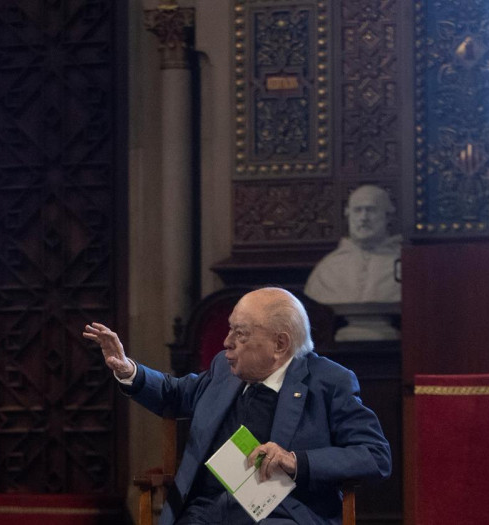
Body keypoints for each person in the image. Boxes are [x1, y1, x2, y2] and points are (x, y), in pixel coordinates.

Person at [83, 288, 390, 525]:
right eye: (230, 330)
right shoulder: (223, 369)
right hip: (204, 511)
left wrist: (298, 461)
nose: (226, 342)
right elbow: (173, 394)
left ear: (280, 345)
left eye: (240, 334)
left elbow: (375, 455)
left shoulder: (328, 381)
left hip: (281, 513)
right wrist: (127, 371)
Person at [304, 185, 401, 304]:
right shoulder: (327, 268)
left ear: (388, 216)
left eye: (371, 210)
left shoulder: (404, 264)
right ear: (348, 215)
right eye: (357, 210)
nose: (364, 217)